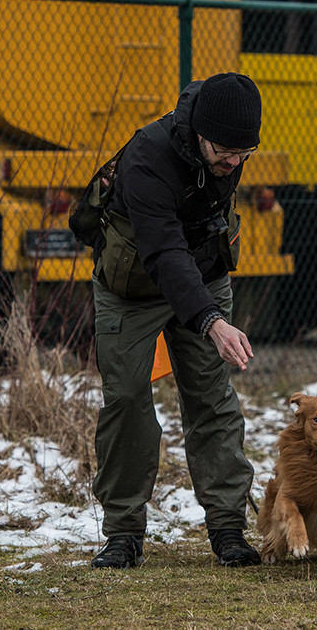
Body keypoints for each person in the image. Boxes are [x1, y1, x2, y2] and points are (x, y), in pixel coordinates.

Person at [89, 72, 263, 569]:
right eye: (226, 153)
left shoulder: (229, 151)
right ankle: (123, 532)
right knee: (125, 399)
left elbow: (201, 236)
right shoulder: (146, 156)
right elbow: (164, 251)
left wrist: (208, 309)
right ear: (200, 133)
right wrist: (212, 321)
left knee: (211, 396)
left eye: (243, 156)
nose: (233, 164)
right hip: (133, 287)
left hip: (204, 277)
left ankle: (229, 527)